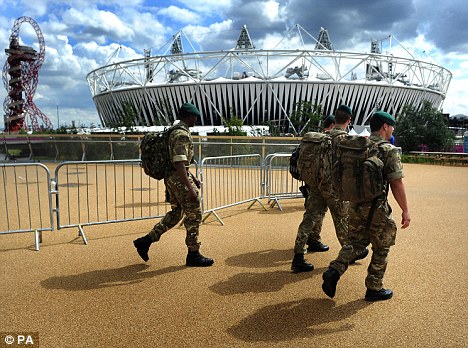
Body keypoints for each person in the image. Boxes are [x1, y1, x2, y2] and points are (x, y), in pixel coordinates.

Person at [321, 111, 411, 301]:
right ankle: (374, 287)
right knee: (382, 244)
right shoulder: (388, 150)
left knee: (355, 242)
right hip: (376, 207)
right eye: (392, 126)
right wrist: (405, 210)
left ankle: (334, 271)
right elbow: (396, 183)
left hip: (354, 203)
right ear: (385, 127)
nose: (393, 129)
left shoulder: (357, 146)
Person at [133, 103, 214, 267]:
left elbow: (177, 161)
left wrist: (192, 177)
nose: (196, 119)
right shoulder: (181, 134)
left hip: (173, 178)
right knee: (194, 214)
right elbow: (178, 163)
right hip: (178, 179)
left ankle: (146, 241)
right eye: (194, 117)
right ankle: (193, 254)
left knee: (176, 213)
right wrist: (190, 187)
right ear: (188, 116)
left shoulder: (173, 130)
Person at [292, 105, 368, 272]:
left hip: (317, 185)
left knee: (309, 217)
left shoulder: (321, 138)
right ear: (349, 120)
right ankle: (349, 253)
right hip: (334, 188)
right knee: (342, 221)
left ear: (335, 119)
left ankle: (298, 256)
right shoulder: (346, 140)